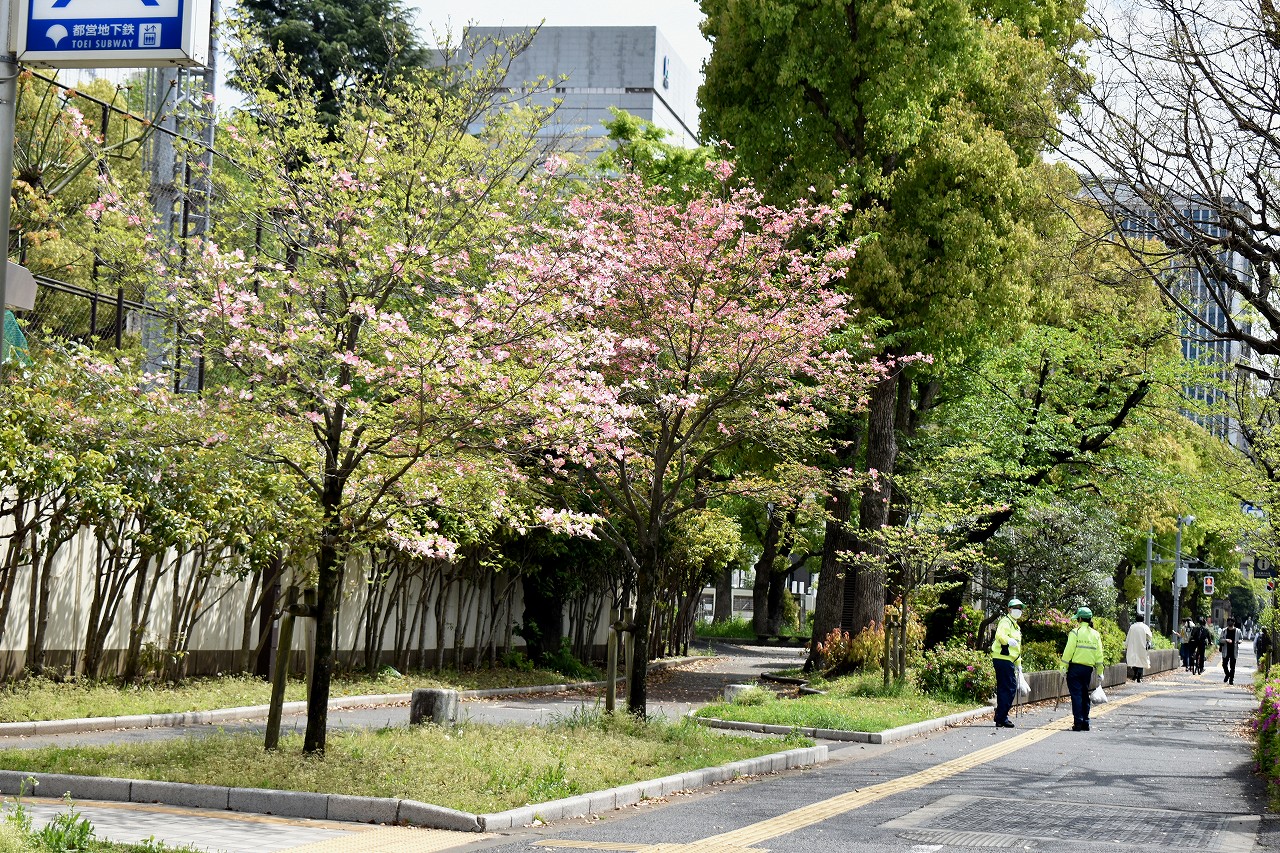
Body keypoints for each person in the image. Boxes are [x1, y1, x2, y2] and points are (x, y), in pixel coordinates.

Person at [1061, 606, 1105, 731]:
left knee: (1076, 695)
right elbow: (1099, 655)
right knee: (1085, 694)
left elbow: (1068, 651)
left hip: (1075, 668)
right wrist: (1100, 671)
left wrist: (1063, 667)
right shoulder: (1095, 634)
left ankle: (1078, 722)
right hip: (1088, 669)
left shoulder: (1075, 632)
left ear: (1080, 619)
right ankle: (1086, 721)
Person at [990, 598, 1024, 729]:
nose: (1018, 611)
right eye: (1016, 608)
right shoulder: (1006, 622)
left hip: (1008, 660)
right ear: (1009, 609)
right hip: (1002, 658)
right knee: (1009, 688)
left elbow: (1017, 648)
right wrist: (1008, 640)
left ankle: (1000, 717)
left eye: (1020, 608)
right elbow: (1000, 635)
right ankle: (1001, 717)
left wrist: (1019, 665)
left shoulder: (1015, 626)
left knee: (1006, 688)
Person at [1125, 614, 1153, 682]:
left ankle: (1135, 674)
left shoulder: (1132, 627)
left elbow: (1128, 637)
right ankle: (1139, 677)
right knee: (1141, 661)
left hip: (1133, 646)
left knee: (1133, 661)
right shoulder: (1145, 627)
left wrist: (1126, 645)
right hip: (1142, 646)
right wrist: (1148, 643)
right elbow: (1149, 636)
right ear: (1143, 619)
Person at [1220, 617, 1241, 685]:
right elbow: (1220, 640)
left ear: (1234, 622)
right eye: (1228, 621)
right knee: (1224, 664)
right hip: (1225, 650)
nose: (1230, 622)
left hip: (1234, 650)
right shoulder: (1224, 630)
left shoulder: (1238, 631)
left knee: (1232, 666)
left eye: (1231, 621)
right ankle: (1227, 674)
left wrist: (1238, 641)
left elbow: (1241, 639)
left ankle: (1231, 679)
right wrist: (1226, 640)